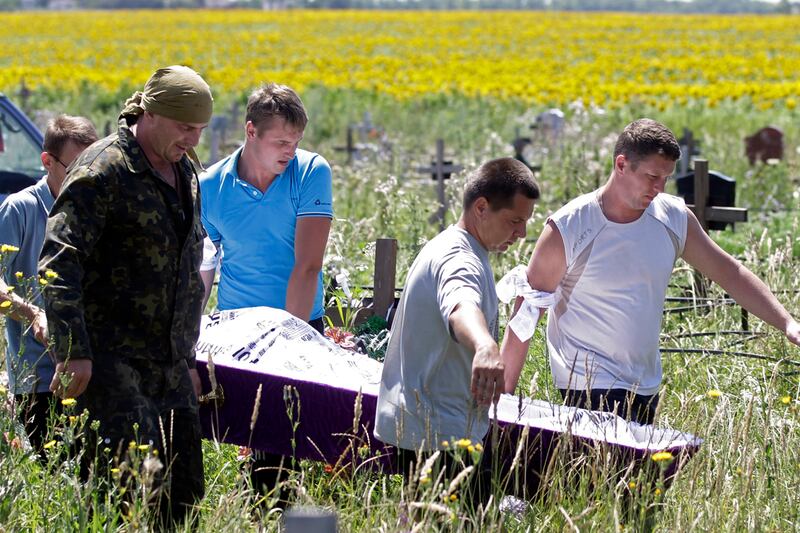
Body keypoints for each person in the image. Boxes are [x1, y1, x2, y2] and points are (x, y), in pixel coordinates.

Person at [502, 118, 800, 425]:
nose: (658, 189)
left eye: (666, 179)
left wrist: (788, 323)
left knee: (642, 474)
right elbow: (527, 312)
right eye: (652, 177)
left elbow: (730, 273)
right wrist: (502, 400)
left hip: (645, 385)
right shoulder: (570, 226)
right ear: (621, 164)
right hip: (587, 385)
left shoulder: (673, 217)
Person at [38, 66, 212, 526]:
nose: (194, 140)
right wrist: (73, 352)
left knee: (185, 496)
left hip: (169, 365)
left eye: (200, 130)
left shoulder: (183, 169)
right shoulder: (104, 169)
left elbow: (185, 267)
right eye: (185, 128)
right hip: (113, 364)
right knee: (135, 498)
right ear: (151, 114)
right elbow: (59, 259)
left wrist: (188, 360)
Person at [374, 158, 539, 503]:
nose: (521, 234)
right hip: (439, 436)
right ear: (482, 207)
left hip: (438, 428)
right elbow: (460, 304)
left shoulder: (459, 248)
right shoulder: (458, 257)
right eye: (515, 221)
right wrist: (484, 345)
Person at [198, 82, 332, 502]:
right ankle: (258, 509)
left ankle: (273, 509)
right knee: (254, 438)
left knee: (290, 438)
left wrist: (289, 341)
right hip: (238, 330)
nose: (290, 151)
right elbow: (204, 267)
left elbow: (307, 264)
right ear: (250, 131)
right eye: (280, 141)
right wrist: (191, 333)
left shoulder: (311, 172)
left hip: (298, 326)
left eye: (296, 142)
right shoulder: (211, 186)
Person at [0, 115, 97, 456]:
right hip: (39, 378)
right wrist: (32, 314)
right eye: (74, 167)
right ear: (47, 161)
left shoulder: (96, 209)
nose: (84, 177)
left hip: (93, 369)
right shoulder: (20, 209)